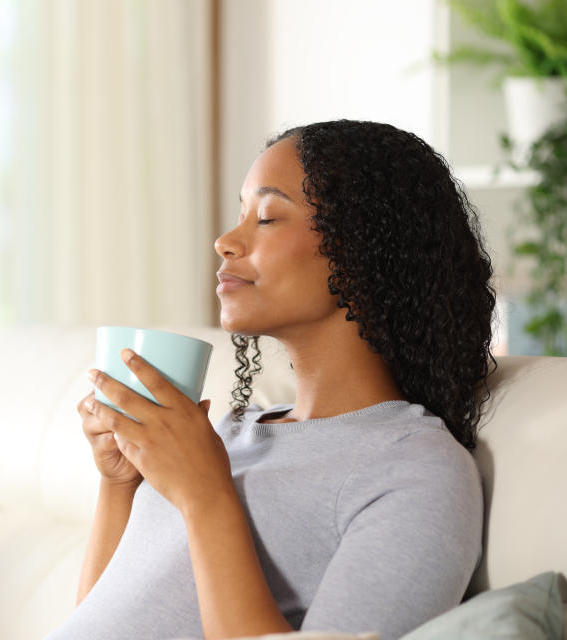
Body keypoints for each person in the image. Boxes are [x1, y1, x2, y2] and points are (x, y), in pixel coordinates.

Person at [44, 120, 497, 640]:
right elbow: (98, 618)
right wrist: (119, 483)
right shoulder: (232, 431)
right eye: (241, 214)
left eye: (266, 216)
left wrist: (206, 494)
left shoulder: (414, 471)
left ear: (362, 248)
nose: (225, 241)